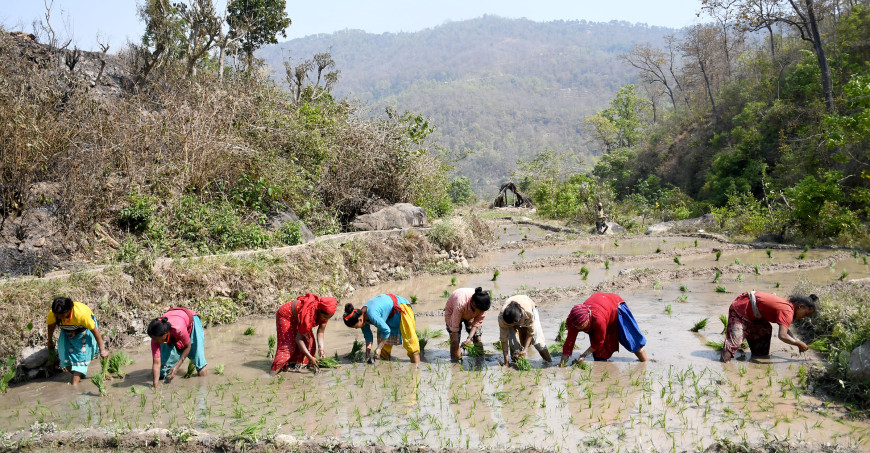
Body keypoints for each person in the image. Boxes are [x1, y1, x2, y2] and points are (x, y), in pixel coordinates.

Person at [721, 291, 817, 362]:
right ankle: (724, 364)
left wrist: (797, 341)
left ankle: (759, 355)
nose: (803, 317)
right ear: (801, 307)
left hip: (753, 313)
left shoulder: (788, 307)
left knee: (765, 330)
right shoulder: (787, 310)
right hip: (741, 308)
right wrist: (798, 344)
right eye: (805, 314)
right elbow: (782, 335)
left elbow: (786, 330)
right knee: (735, 341)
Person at [559, 293, 648, 366]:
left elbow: (599, 342)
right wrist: (562, 363)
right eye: (578, 327)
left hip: (615, 307)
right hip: (603, 310)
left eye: (582, 326)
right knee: (599, 356)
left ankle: (645, 364)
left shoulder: (598, 320)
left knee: (632, 341)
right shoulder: (575, 320)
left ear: (588, 319)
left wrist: (583, 355)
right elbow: (569, 343)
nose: (579, 328)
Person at [46, 297, 109, 386]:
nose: (59, 318)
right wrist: (50, 341)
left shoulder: (81, 314)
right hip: (67, 331)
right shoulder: (54, 314)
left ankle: (75, 387)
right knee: (65, 359)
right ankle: (79, 376)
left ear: (68, 310)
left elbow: (95, 331)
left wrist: (102, 350)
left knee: (81, 358)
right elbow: (51, 326)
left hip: (84, 330)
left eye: (61, 316)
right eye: (57, 316)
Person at [270, 293, 337, 375]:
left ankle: (293, 366)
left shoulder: (326, 313)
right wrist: (310, 357)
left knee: (310, 345)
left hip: (299, 317)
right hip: (286, 315)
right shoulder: (309, 315)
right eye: (325, 317)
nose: (326, 320)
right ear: (319, 311)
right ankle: (271, 375)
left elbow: (320, 332)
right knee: (287, 348)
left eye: (329, 318)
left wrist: (321, 349)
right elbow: (299, 339)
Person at [343, 294, 420, 363]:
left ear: (360, 319)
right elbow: (368, 337)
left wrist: (379, 347)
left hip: (401, 306)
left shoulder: (372, 314)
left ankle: (416, 369)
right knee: (384, 350)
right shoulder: (361, 316)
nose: (356, 329)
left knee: (410, 343)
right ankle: (385, 369)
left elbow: (386, 331)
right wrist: (367, 354)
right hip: (388, 314)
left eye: (355, 326)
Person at [147, 307, 207, 389]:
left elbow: (188, 346)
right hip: (172, 332)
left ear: (165, 334)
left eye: (158, 340)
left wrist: (177, 366)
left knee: (200, 366)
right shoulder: (155, 338)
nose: (156, 342)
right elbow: (156, 363)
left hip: (191, 323)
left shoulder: (178, 329)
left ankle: (203, 389)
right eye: (154, 339)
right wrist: (155, 387)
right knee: (162, 372)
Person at [498, 295, 553, 366]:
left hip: (528, 307)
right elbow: (504, 339)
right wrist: (506, 362)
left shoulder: (528, 313)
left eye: (513, 324)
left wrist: (525, 350)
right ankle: (517, 364)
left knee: (538, 342)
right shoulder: (502, 318)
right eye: (510, 325)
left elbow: (531, 332)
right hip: (510, 317)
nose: (512, 326)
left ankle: (549, 362)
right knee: (514, 345)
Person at [445, 287, 491, 361]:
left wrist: (469, 338)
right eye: (480, 311)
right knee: (454, 340)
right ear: (474, 304)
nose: (481, 313)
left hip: (471, 313)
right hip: (453, 311)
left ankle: (480, 360)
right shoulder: (461, 303)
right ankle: (455, 363)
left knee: (477, 337)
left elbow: (476, 323)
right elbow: (455, 329)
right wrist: (457, 348)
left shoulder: (483, 306)